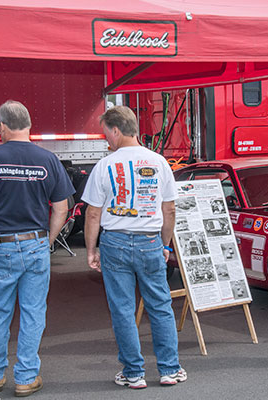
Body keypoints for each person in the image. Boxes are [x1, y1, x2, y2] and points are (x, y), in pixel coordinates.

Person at [0, 100, 75, 396]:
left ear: (1, 126)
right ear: (29, 124)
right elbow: (62, 209)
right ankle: (25, 377)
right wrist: (47, 241)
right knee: (33, 312)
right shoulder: (48, 159)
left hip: (0, 245)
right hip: (35, 244)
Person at [82, 105, 186, 389]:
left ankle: (133, 373)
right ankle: (169, 370)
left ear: (116, 130)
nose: (106, 139)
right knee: (160, 306)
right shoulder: (159, 162)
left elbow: (92, 213)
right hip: (150, 240)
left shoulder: (104, 165)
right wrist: (164, 245)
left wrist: (91, 250)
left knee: (122, 309)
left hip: (114, 241)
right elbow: (170, 210)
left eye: (106, 133)